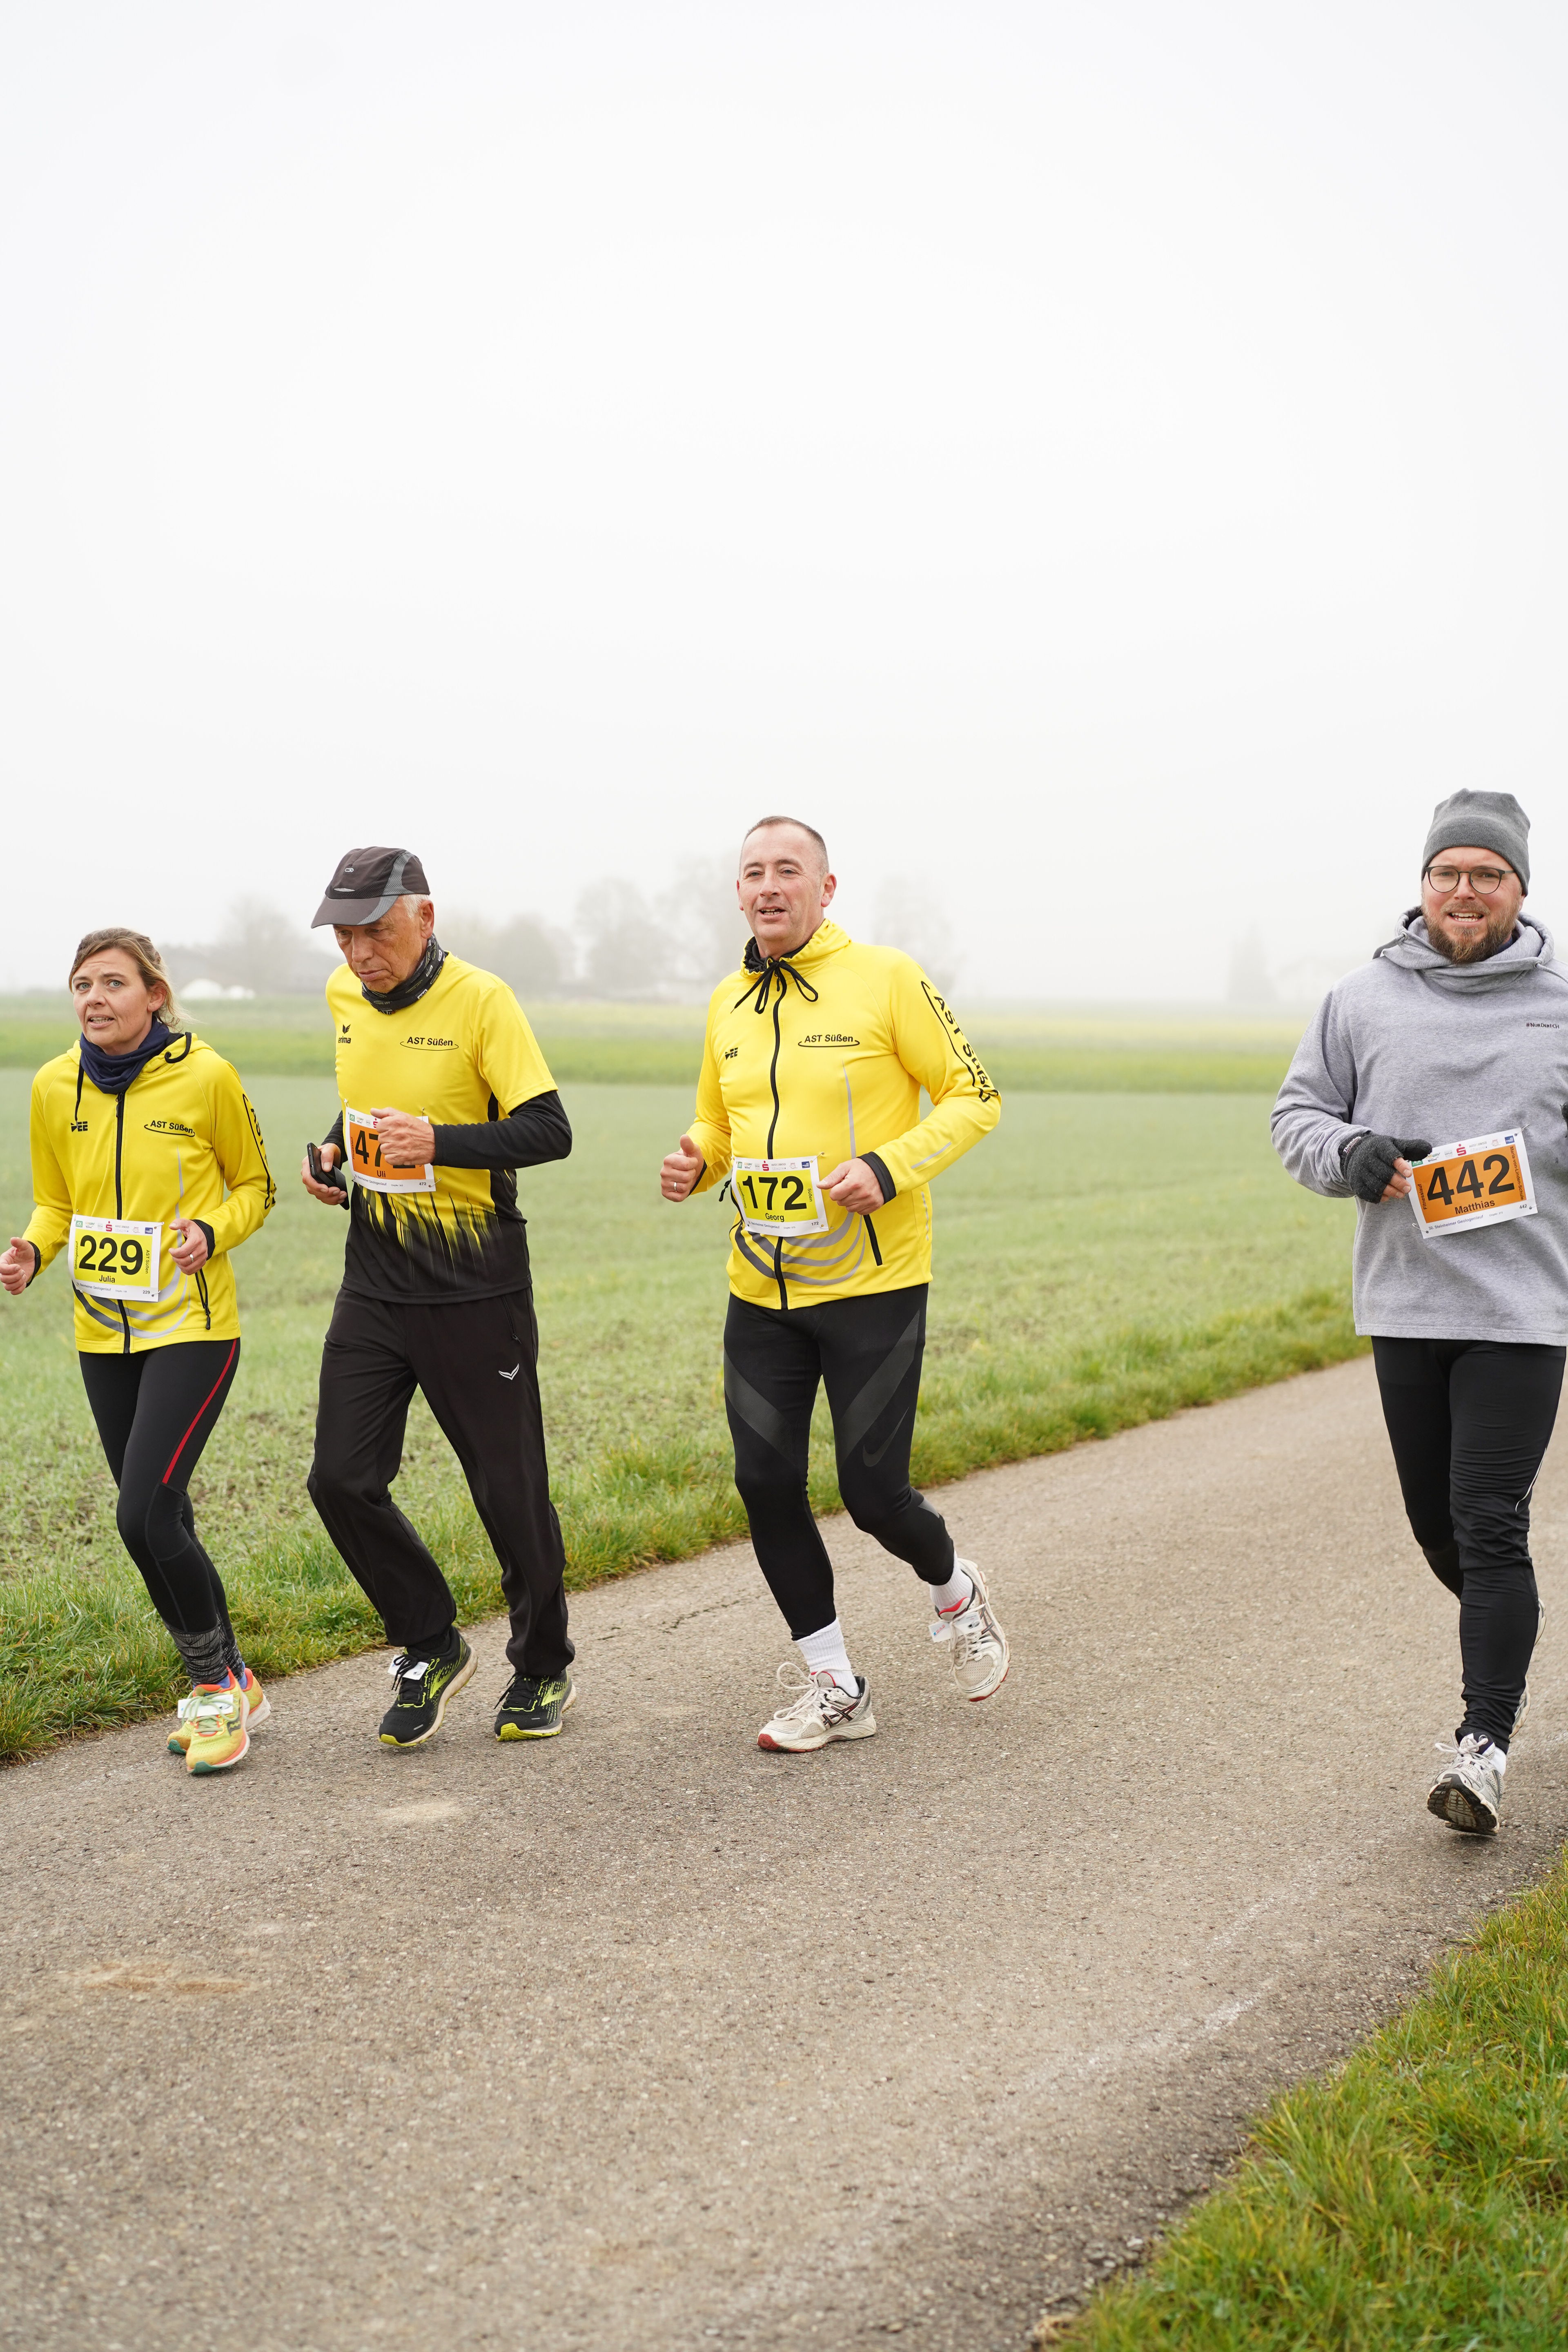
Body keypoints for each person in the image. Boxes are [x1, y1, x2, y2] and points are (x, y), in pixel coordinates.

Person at [659, 815, 1006, 1751]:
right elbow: (719, 1123)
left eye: (788, 870)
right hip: (761, 1287)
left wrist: (890, 1168)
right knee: (764, 1481)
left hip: (873, 1284)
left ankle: (956, 1591)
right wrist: (696, 1157)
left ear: (826, 888)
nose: (768, 886)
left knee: (873, 1494)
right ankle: (835, 1687)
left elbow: (976, 1097)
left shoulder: (887, 979)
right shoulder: (729, 1001)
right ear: (738, 893)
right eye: (753, 873)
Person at [1273, 788, 1567, 1834]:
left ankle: (1482, 1747)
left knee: (1488, 1521)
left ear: (1520, 887)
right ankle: (1508, 1647)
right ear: (1424, 885)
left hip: (1522, 1311)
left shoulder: (1560, 1005)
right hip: (1404, 1304)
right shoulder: (1360, 1000)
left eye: (1488, 874)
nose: (1465, 890)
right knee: (1441, 1532)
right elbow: (1298, 1115)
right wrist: (1350, 1153)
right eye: (1449, 872)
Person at [301, 846, 576, 1748]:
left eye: (375, 932)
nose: (359, 954)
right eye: (344, 936)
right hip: (375, 1283)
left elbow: (549, 1130)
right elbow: (364, 1108)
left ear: (424, 916)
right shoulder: (345, 997)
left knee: (509, 1492)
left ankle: (542, 1665)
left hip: (476, 1289)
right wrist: (333, 1152)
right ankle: (430, 1642)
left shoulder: (483, 1001)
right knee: (340, 1478)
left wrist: (440, 1142)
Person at [0, 929, 276, 1773]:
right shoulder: (54, 1085)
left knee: (142, 1514)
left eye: (114, 983)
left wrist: (210, 1230)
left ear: (155, 995)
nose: (95, 998)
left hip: (193, 1328)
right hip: (102, 1331)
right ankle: (235, 1675)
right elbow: (57, 1202)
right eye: (83, 984)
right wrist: (34, 1249)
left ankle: (213, 1689)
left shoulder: (207, 1075)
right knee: (163, 1517)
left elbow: (255, 1188)